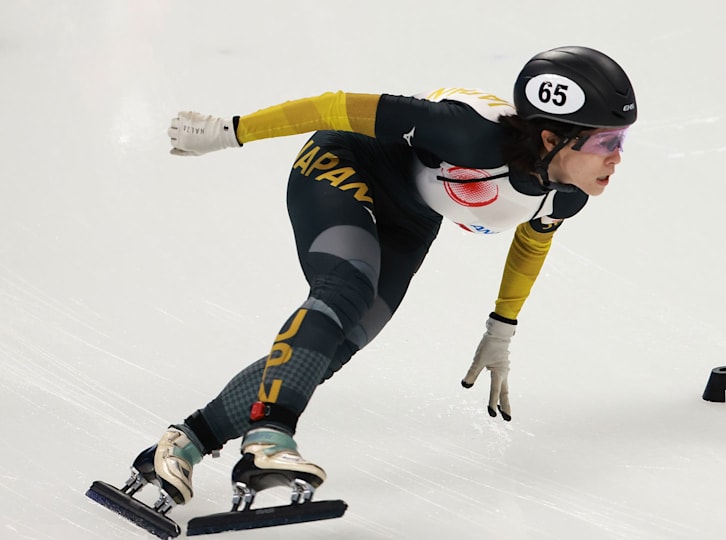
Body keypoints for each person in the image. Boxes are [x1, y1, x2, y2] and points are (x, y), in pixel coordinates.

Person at [133, 45, 637, 510]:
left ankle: (185, 442)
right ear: (552, 139)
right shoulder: (469, 133)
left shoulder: (565, 192)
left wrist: (501, 328)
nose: (617, 155)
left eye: (622, 139)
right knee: (344, 290)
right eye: (606, 140)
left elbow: (532, 241)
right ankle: (269, 439)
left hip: (412, 215)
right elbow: (335, 106)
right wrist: (230, 131)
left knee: (344, 340)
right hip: (347, 160)